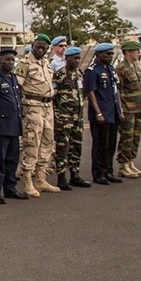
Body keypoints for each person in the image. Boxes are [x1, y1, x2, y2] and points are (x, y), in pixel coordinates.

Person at [15, 34, 59, 198]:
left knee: (47, 142)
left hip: (47, 106)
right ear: (32, 46)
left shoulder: (46, 63)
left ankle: (41, 178)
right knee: (32, 143)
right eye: (37, 47)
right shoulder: (24, 63)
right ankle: (28, 180)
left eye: (44, 48)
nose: (40, 50)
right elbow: (17, 87)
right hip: (32, 107)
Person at [0, 49, 26, 204]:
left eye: (12, 60)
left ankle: (10, 188)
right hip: (0, 126)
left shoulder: (13, 77)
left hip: (14, 125)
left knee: (12, 159)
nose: (10, 62)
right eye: (7, 60)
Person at [52, 47, 92, 190]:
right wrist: (57, 115)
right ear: (66, 59)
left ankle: (75, 174)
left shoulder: (79, 74)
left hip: (78, 117)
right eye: (74, 58)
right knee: (63, 147)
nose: (76, 61)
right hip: (64, 117)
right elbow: (53, 97)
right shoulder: (59, 75)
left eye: (78, 58)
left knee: (77, 146)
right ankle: (61, 177)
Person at [83, 43, 123, 185]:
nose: (110, 57)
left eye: (111, 54)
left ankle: (108, 170)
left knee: (111, 144)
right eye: (107, 54)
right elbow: (91, 93)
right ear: (98, 55)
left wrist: (120, 109)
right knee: (100, 144)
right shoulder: (92, 70)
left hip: (112, 112)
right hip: (101, 113)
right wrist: (98, 113)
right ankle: (98, 173)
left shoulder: (111, 69)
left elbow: (115, 90)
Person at [115, 41, 141, 178]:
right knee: (126, 137)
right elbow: (117, 89)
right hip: (128, 108)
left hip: (138, 107)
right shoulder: (122, 68)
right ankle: (123, 165)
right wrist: (120, 109)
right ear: (127, 52)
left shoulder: (135, 66)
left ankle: (130, 162)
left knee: (135, 137)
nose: (138, 53)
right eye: (135, 51)